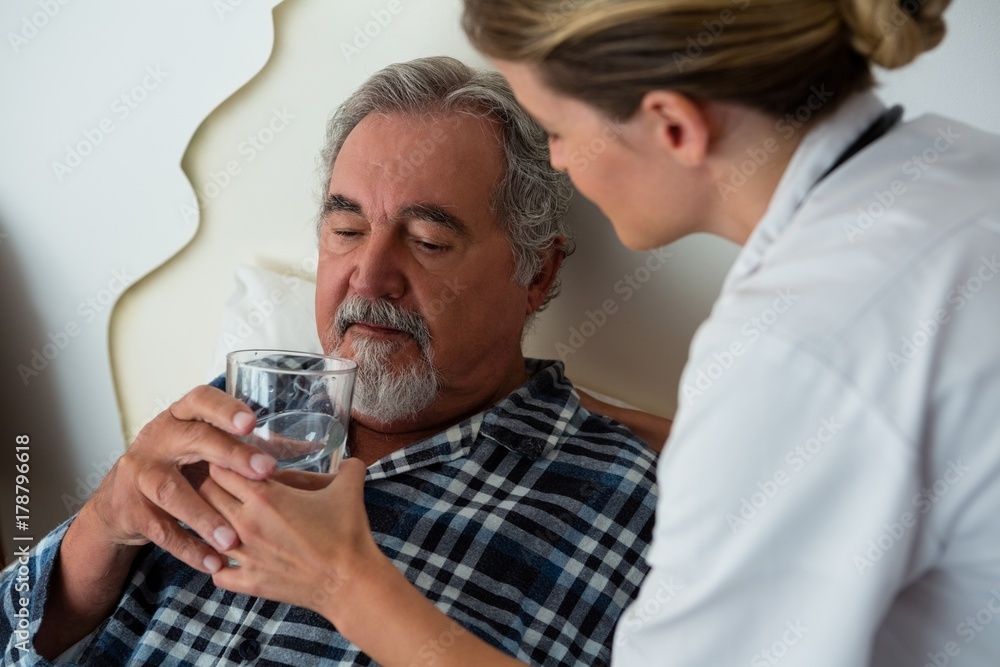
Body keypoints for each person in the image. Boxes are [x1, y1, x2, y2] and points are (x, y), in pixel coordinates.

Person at [0, 57, 664, 666]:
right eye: (346, 231)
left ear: (536, 273)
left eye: (428, 240)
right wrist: (102, 529)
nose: (368, 277)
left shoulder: (624, 498)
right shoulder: (238, 409)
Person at [457, 0, 1000, 666]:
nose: (558, 160)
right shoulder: (965, 160)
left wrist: (355, 582)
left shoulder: (790, 351)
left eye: (555, 129)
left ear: (674, 125)